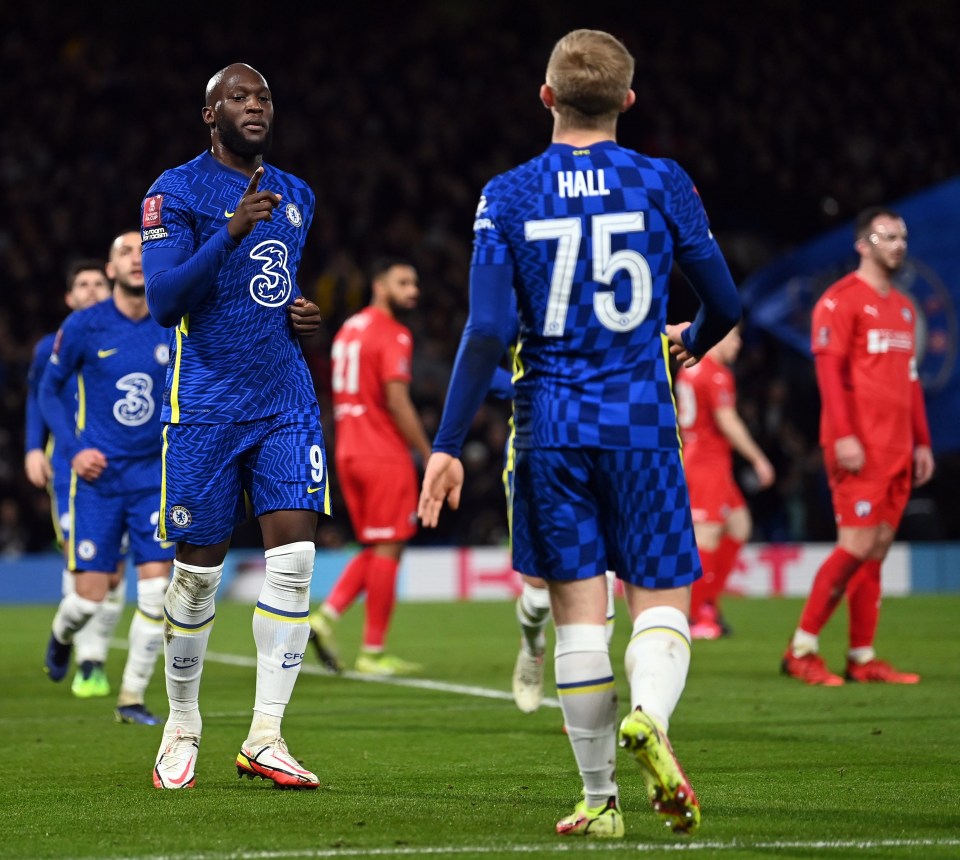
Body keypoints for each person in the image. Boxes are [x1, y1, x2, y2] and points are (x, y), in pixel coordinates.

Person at [418, 29, 741, 838]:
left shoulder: (508, 193)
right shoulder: (664, 181)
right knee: (662, 605)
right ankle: (650, 718)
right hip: (640, 424)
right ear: (629, 101)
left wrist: (448, 444)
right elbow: (726, 307)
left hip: (550, 429)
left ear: (547, 97)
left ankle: (599, 801)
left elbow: (486, 330)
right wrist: (687, 345)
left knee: (578, 618)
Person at [141, 62, 327, 790]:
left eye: (264, 97)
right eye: (238, 98)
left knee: (295, 562)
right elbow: (164, 300)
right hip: (206, 406)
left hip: (285, 397)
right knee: (195, 578)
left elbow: (268, 286)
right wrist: (227, 230)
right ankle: (182, 722)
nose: (255, 106)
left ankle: (266, 736)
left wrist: (302, 315)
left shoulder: (299, 195)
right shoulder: (174, 191)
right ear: (209, 114)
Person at [782, 206, 935, 686]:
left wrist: (922, 442)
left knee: (878, 547)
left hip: (898, 448)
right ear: (862, 244)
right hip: (858, 446)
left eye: (902, 237)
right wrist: (845, 435)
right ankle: (801, 649)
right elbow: (829, 374)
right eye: (887, 236)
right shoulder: (840, 300)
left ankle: (862, 657)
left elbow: (910, 381)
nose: (898, 245)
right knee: (857, 544)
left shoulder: (905, 308)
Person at [39, 232, 173, 726]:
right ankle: (61, 635)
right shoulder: (83, 326)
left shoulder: (171, 321)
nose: (136, 259)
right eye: (124, 252)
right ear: (111, 270)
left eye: (144, 251)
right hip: (96, 479)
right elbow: (48, 393)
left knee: (158, 594)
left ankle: (131, 698)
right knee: (87, 598)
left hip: (153, 477)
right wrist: (72, 452)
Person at [307, 258, 431, 676]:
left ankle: (325, 618)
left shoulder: (348, 329)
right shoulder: (393, 333)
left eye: (414, 281)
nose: (413, 289)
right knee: (390, 545)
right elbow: (397, 400)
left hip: (348, 449)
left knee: (376, 545)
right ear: (379, 285)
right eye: (403, 281)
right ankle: (373, 651)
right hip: (382, 451)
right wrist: (429, 452)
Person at [26, 259, 125, 698]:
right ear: (69, 298)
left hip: (121, 467)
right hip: (68, 467)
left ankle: (93, 656)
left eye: (97, 283)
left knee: (117, 574)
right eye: (81, 285)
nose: (90, 290)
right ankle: (84, 657)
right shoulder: (51, 345)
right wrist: (33, 448)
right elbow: (37, 396)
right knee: (82, 560)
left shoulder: (131, 338)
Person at [674, 326, 775, 639]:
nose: (738, 343)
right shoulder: (716, 373)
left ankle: (709, 603)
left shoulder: (689, 368)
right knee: (708, 533)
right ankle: (696, 614)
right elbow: (726, 420)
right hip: (707, 462)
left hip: (701, 456)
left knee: (739, 525)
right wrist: (759, 458)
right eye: (732, 336)